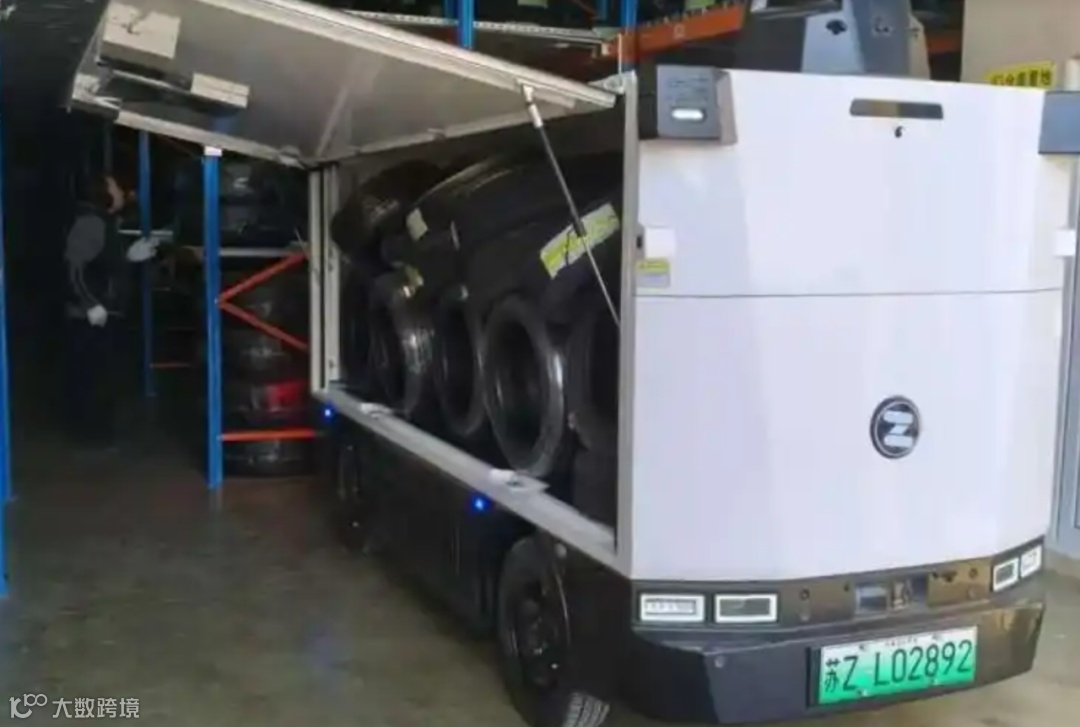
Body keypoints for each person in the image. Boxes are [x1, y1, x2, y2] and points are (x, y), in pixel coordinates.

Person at [63, 174, 160, 449]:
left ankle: (99, 434)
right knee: (94, 378)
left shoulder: (103, 222)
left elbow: (103, 264)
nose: (121, 192)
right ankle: (92, 437)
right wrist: (91, 304)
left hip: (103, 314)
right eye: (115, 187)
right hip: (89, 318)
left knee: (102, 377)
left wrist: (129, 257)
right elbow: (73, 269)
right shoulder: (90, 223)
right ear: (102, 193)